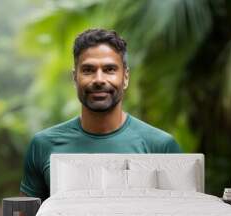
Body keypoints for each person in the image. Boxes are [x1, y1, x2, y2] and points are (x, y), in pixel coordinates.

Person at [20, 28, 181, 201]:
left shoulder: (161, 146)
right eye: (88, 70)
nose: (98, 79)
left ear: (125, 77)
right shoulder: (43, 145)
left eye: (110, 69)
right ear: (75, 78)